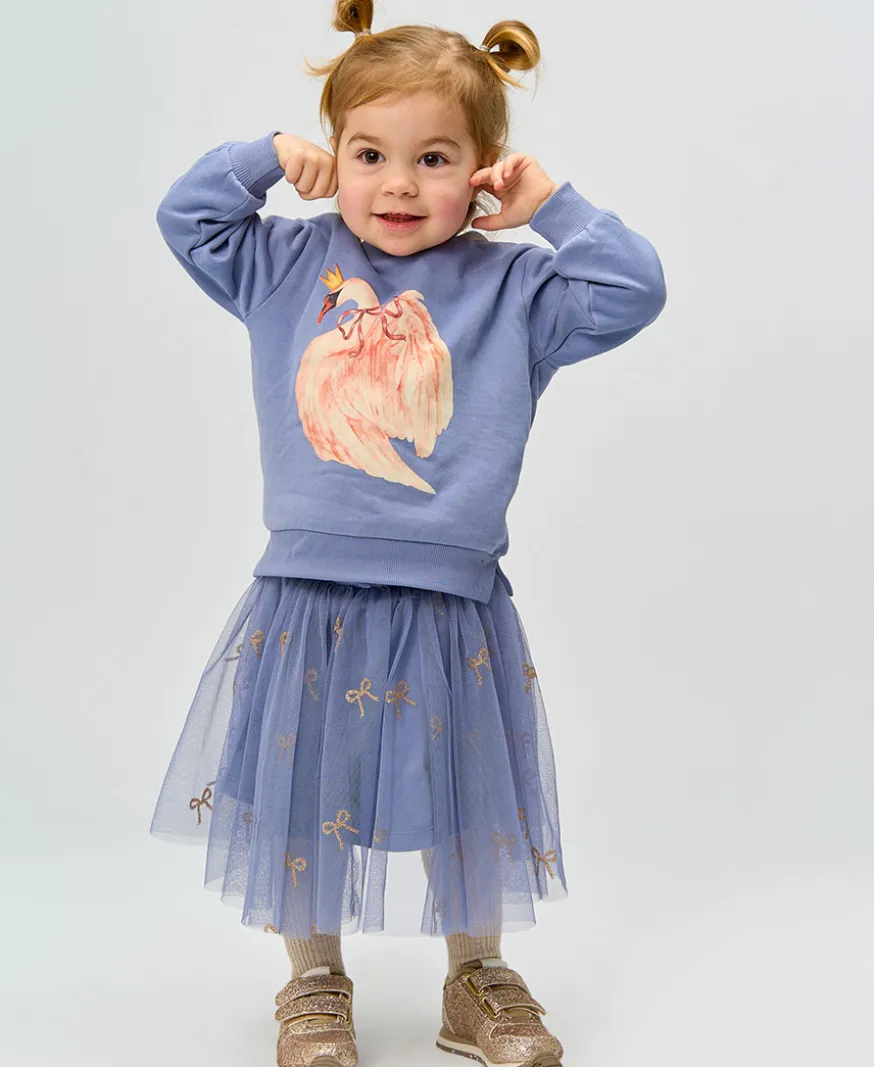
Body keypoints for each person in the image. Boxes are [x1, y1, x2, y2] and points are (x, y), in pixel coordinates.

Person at [149, 2, 666, 1064]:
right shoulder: (286, 265)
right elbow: (187, 218)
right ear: (333, 153)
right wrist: (264, 159)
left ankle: (475, 976)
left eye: (434, 158)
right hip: (311, 592)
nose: (397, 184)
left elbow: (634, 288)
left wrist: (553, 208)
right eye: (369, 154)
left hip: (451, 600)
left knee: (465, 801)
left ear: (483, 171)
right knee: (306, 796)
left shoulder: (518, 285)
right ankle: (313, 980)